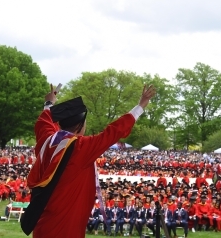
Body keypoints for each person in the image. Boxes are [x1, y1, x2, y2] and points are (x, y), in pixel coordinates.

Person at [21, 84, 155, 237]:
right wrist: (140, 106)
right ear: (80, 125)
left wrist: (49, 103)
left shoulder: (48, 139)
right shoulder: (80, 147)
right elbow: (113, 131)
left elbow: (44, 122)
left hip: (43, 224)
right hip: (65, 227)